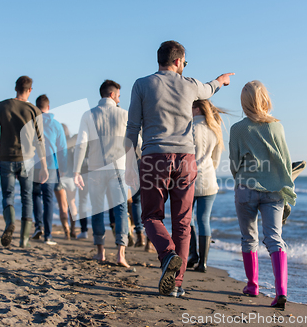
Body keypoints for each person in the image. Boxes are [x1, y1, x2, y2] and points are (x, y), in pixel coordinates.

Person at [125, 40, 234, 297]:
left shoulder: (141, 84)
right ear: (177, 61)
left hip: (154, 158)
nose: (184, 66)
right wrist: (221, 80)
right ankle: (176, 284)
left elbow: (132, 128)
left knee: (151, 216)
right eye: (184, 62)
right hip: (186, 159)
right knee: (183, 222)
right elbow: (209, 89)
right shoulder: (190, 85)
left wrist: (130, 161)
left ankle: (168, 255)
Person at [229, 80, 296, 309]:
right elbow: (285, 161)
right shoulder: (276, 126)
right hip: (273, 189)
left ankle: (253, 285)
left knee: (249, 238)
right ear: (265, 99)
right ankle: (281, 292)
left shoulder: (238, 129)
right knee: (274, 238)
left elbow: (234, 163)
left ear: (244, 102)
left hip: (246, 187)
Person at [0, 76, 48, 248]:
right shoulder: (34, 110)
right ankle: (24, 240)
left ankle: (9, 222)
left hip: (5, 158)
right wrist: (44, 165)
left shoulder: (1, 106)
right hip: (26, 160)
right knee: (27, 198)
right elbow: (39, 140)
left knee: (8, 195)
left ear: (15, 88)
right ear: (30, 90)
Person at [74, 79, 130, 268]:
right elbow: (135, 142)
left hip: (95, 168)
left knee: (97, 208)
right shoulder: (124, 114)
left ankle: (100, 253)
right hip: (118, 168)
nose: (120, 99)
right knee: (121, 209)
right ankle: (121, 254)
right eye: (119, 95)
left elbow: (81, 144)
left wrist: (76, 170)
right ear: (113, 94)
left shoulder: (88, 115)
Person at [187, 99, 226, 272]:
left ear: (196, 109)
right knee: (204, 220)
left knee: (187, 220)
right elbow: (216, 160)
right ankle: (203, 262)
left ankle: (192, 254)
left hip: (189, 181)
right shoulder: (215, 129)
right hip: (209, 180)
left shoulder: (188, 129)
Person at [31, 95, 67, 245]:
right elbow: (62, 149)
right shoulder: (56, 125)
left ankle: (38, 226)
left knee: (35, 196)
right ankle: (48, 236)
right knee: (48, 199)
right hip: (51, 166)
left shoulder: (31, 123)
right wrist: (63, 168)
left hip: (34, 164)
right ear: (48, 106)